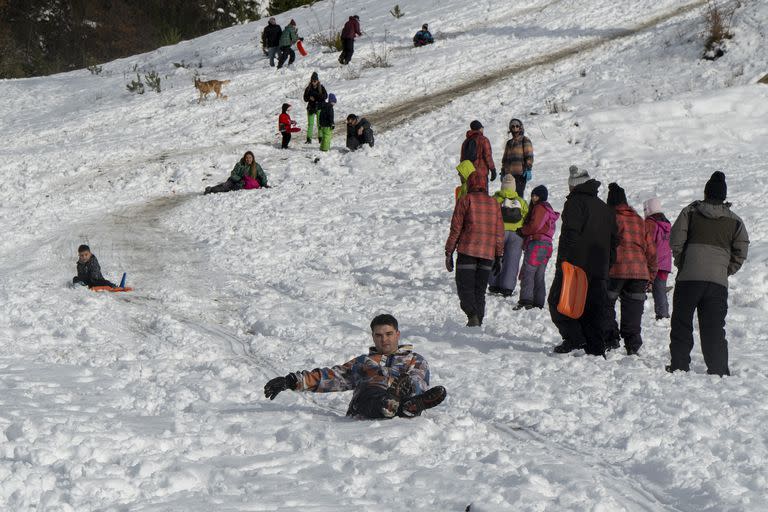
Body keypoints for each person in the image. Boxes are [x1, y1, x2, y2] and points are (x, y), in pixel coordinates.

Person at [263, 314, 447, 419]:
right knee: (372, 388)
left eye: (389, 334)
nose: (384, 339)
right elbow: (333, 376)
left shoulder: (416, 360)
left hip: (403, 399)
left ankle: (404, 403)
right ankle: (399, 406)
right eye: (379, 335)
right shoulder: (363, 362)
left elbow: (419, 381)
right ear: (373, 337)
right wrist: (291, 381)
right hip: (365, 407)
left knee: (409, 383)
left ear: (398, 334)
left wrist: (407, 388)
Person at [667, 172, 749, 377]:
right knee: (714, 328)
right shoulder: (735, 221)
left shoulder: (690, 211)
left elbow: (675, 240)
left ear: (706, 192)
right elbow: (742, 250)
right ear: (724, 196)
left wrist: (682, 263)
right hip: (717, 283)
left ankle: (679, 366)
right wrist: (725, 270)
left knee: (682, 323)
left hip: (688, 279)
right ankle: (719, 370)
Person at [548, 166, 618, 356]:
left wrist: (562, 261)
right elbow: (614, 241)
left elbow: (570, 234)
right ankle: (594, 349)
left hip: (576, 266)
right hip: (600, 269)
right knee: (592, 310)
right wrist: (608, 264)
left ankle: (575, 339)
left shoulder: (575, 203)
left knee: (557, 302)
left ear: (574, 186)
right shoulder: (604, 208)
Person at [445, 171, 505, 327]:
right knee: (479, 290)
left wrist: (449, 251)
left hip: (467, 251)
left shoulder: (466, 200)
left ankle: (473, 316)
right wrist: (499, 255)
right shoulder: (494, 203)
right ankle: (478, 320)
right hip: (487, 254)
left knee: (465, 288)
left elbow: (456, 228)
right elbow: (499, 232)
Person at [604, 183, 657, 355]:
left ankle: (611, 338)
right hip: (639, 272)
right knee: (633, 309)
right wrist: (651, 276)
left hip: (616, 270)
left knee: (606, 304)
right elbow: (651, 251)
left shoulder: (610, 218)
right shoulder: (639, 221)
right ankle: (632, 345)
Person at [515, 184, 559, 310]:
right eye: (532, 195)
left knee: (528, 272)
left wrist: (522, 231)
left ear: (541, 197)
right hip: (547, 246)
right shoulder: (549, 210)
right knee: (539, 275)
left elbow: (534, 226)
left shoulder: (540, 208)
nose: (533, 198)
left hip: (537, 244)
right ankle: (538, 302)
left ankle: (526, 300)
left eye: (536, 195)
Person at [488, 174, 528, 297]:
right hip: (516, 235)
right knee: (512, 261)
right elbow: (526, 217)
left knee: (495, 257)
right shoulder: (521, 201)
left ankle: (494, 284)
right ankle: (507, 287)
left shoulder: (495, 199)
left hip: (498, 233)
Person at [643, 197, 673, 320]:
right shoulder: (667, 223)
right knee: (660, 288)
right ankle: (664, 312)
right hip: (665, 263)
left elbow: (646, 241)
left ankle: (662, 315)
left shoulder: (650, 223)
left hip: (653, 261)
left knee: (654, 288)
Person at [205, 150, 269, 194]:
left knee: (233, 188)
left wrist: (265, 184)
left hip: (246, 184)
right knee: (224, 187)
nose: (248, 159)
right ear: (244, 158)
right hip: (234, 180)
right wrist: (239, 179)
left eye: (250, 157)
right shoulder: (240, 164)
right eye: (247, 158)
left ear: (253, 158)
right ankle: (210, 189)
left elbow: (262, 175)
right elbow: (233, 174)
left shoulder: (256, 166)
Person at [500, 118, 534, 197]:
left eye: (517, 126)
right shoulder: (509, 143)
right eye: (513, 126)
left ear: (520, 127)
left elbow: (529, 156)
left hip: (520, 175)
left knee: (518, 197)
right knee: (508, 197)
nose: (515, 128)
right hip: (508, 176)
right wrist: (503, 172)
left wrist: (528, 169)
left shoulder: (525, 140)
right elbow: (505, 159)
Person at [460, 120, 496, 184]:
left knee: (471, 193)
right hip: (481, 175)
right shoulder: (484, 140)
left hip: (469, 173)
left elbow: (462, 159)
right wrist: (493, 169)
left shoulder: (466, 141)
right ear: (480, 128)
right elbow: (488, 156)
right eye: (482, 128)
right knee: (482, 193)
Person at [303, 72, 328, 144]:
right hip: (311, 108)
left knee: (319, 124)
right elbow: (305, 98)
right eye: (312, 81)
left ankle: (320, 138)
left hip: (319, 107)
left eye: (315, 81)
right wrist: (309, 98)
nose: (313, 82)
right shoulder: (308, 88)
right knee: (310, 124)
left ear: (317, 81)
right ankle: (308, 139)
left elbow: (325, 96)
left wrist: (316, 96)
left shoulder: (321, 88)